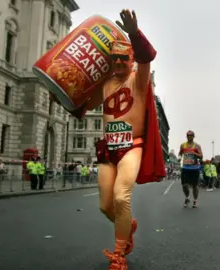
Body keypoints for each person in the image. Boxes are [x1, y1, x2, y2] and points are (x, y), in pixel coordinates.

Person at [51, 9, 165, 269]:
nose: (118, 64)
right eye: (114, 59)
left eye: (123, 59)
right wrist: (60, 94)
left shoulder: (139, 79)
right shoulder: (105, 84)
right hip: (108, 149)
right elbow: (82, 106)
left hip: (132, 146)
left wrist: (134, 33)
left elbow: (148, 56)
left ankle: (118, 254)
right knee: (105, 205)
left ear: (131, 59)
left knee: (122, 197)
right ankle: (128, 226)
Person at [179, 130, 203, 204]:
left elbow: (201, 156)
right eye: (188, 135)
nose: (189, 136)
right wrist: (179, 158)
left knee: (195, 186)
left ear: (193, 136)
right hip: (185, 168)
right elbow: (180, 153)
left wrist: (195, 153)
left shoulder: (197, 146)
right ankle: (187, 197)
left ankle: (195, 200)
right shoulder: (183, 145)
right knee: (184, 185)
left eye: (191, 135)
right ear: (186, 136)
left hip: (195, 168)